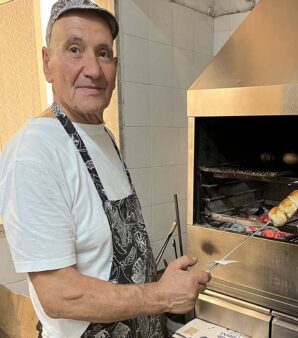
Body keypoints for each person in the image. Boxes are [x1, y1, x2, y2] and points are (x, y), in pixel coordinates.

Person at [0, 0, 210, 337]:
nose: (94, 70)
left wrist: (164, 281)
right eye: (74, 49)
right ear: (47, 62)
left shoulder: (101, 135)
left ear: (115, 65)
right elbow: (60, 296)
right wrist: (162, 294)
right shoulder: (35, 153)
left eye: (102, 53)